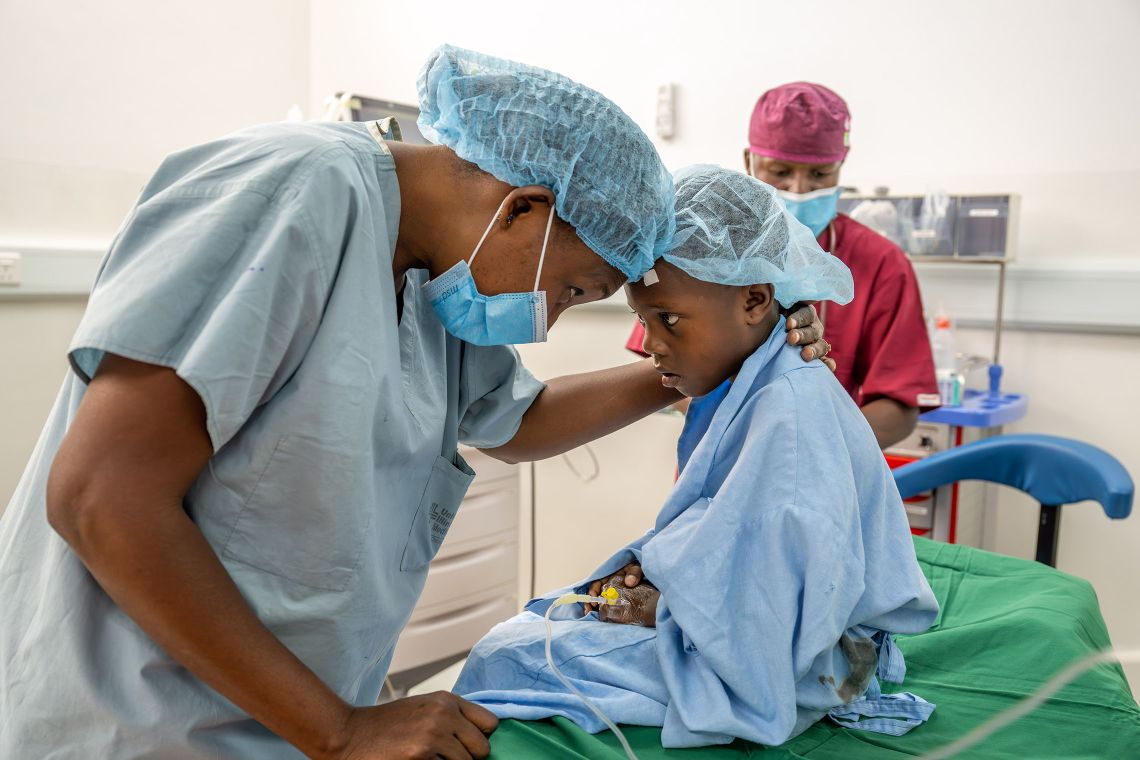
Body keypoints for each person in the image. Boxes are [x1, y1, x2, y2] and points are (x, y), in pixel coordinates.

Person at [0, 47, 830, 760]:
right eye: (575, 288)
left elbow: (516, 423)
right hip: (142, 722)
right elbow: (101, 498)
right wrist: (340, 730)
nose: (555, 319)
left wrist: (699, 366)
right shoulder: (296, 195)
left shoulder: (433, 279)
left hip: (276, 714)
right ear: (523, 212)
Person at [455, 167, 938, 748]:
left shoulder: (787, 414)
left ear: (756, 299)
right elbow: (733, 531)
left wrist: (669, 606)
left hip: (826, 666)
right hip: (807, 641)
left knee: (511, 657)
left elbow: (775, 618)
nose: (652, 343)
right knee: (540, 633)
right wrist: (659, 575)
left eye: (670, 320)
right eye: (643, 319)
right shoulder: (756, 379)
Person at [625, 82, 939, 449]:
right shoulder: (695, 242)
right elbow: (657, 355)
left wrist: (812, 446)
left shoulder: (882, 264)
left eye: (820, 175)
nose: (799, 189)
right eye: (780, 171)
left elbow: (900, 402)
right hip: (718, 457)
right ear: (749, 162)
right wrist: (737, 420)